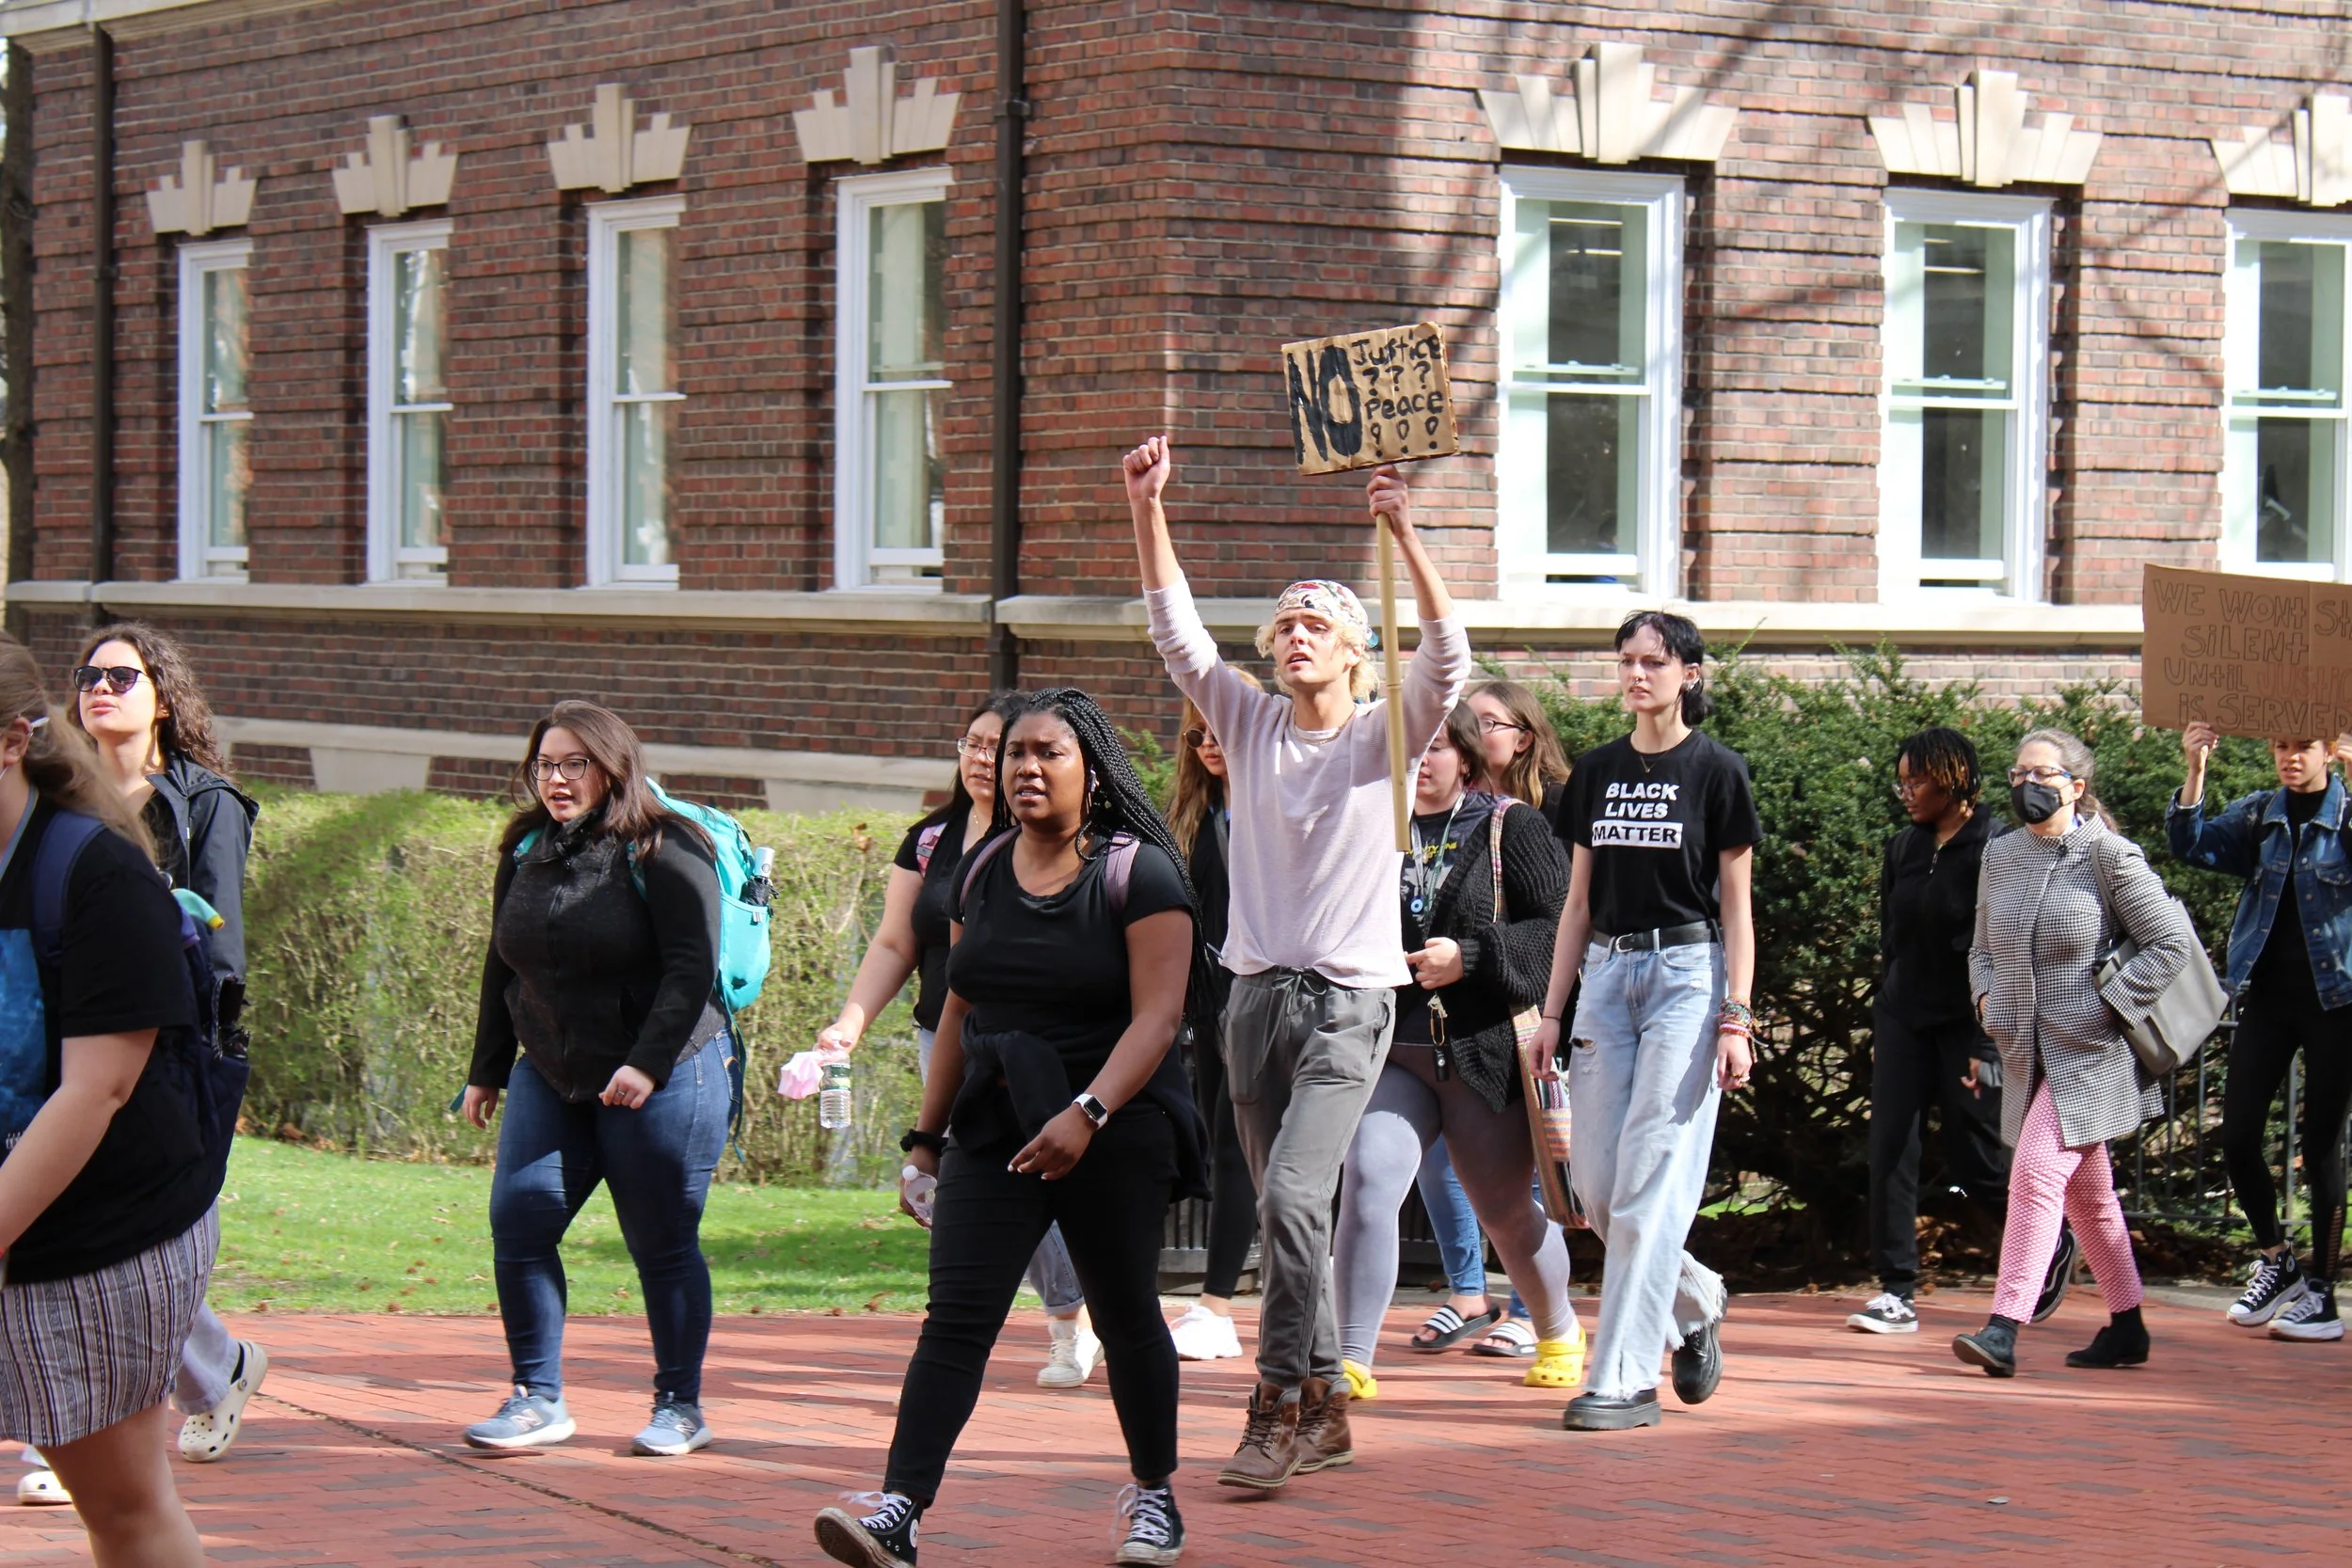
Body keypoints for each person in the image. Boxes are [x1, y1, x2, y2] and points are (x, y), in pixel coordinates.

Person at [1127, 434, 1470, 1494]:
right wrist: (1148, 510)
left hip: (1348, 1005)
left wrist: (1406, 534)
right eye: (1280, 622)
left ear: (1359, 650)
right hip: (1251, 1000)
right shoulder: (1247, 718)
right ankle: (1325, 1402)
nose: (1291, 634)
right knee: (1295, 1207)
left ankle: (1275, 1402)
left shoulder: (1385, 733)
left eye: (1314, 619)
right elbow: (1179, 639)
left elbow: (1450, 656)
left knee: (1287, 1192)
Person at [815, 689, 1204, 1568]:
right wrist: (926, 1138)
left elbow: (1159, 1017)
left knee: (1126, 1310)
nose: (1025, 767)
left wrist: (1088, 1114)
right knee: (954, 1319)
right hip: (996, 1126)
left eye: (1049, 753)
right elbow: (959, 1004)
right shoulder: (983, 864)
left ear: (1091, 770)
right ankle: (900, 1512)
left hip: (1114, 1124)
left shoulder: (1140, 873)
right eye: (1016, 751)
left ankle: (1154, 1497)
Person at [461, 701, 734, 1456]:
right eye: (544, 764)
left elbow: (692, 967)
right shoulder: (526, 846)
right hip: (554, 1067)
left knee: (661, 1241)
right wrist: (486, 1070)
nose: (555, 779)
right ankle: (535, 1398)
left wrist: (645, 1064)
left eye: (573, 764)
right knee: (519, 1221)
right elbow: (502, 961)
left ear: (614, 766)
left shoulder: (667, 844)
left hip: (668, 1070)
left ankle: (681, 1405)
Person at [0, 634, 211, 1565]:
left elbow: (98, 1090)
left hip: (101, 1230)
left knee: (122, 1504)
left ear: (13, 736)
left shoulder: (93, 873)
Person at [818, 694, 1100, 1387]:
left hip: (1037, 1044)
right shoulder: (929, 839)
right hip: (945, 1039)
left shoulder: (1060, 837)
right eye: (973, 744)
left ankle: (1088, 1315)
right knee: (982, 1179)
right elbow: (894, 940)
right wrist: (849, 1023)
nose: (985, 759)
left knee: (1037, 1175)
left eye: (999, 746)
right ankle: (1067, 1315)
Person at [1533, 611, 1754, 1431]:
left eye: (1653, 662)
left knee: (1653, 1183)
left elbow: (1738, 910)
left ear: (1689, 673)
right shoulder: (1595, 770)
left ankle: (1623, 1378)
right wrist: (1552, 1010)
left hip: (1687, 979)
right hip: (1607, 976)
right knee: (1595, 1186)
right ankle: (1695, 1297)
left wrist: (1737, 1017)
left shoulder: (1718, 772)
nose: (1636, 675)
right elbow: (1576, 904)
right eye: (1626, 660)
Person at [1331, 704, 1581, 1396]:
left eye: (1436, 747)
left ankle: (1558, 1326)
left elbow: (1558, 929)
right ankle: (1352, 1358)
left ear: (1467, 758)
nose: (1421, 761)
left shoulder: (1511, 826)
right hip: (1396, 1049)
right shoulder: (1373, 830)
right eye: (1409, 749)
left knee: (1503, 1208)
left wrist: (1470, 955)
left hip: (1479, 1053)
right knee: (1371, 1185)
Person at [65, 623, 267, 1475]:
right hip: (73, 1040)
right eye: (89, 674)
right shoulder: (58, 801)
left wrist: (206, 1068)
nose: (101, 687)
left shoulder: (202, 801)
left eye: (123, 674)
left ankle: (96, 1429)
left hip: (176, 1050)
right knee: (86, 1227)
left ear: (161, 696)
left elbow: (222, 948)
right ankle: (216, 1366)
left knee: (136, 1231)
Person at [1953, 729, 2196, 1377]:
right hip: (2028, 1052)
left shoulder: (2108, 855)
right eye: (2019, 772)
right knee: (2089, 1198)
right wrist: (1986, 1003)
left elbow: (2171, 942)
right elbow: (1980, 947)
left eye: (2043, 772)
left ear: (2076, 785)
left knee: (2034, 1175)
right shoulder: (2000, 856)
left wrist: (2109, 1005)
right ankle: (2128, 1325)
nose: (2028, 784)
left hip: (2092, 1054)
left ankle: (2004, 1325)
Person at [1850, 727, 2077, 1335]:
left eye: (1917, 780)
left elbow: (2007, 948)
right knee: (1889, 1151)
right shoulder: (1903, 846)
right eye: (1901, 780)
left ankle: (2049, 1238)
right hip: (1904, 1016)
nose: (1906, 791)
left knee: (1976, 1159)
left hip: (1969, 1023)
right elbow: (1890, 938)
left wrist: (1986, 1043)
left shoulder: (1999, 846)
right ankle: (1896, 1290)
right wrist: (1887, 1001)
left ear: (1953, 779)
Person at [1404, 678, 1577, 1359]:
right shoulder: (1394, 825)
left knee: (1510, 1196)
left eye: (1482, 724)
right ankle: (1461, 1294)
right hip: (1412, 1042)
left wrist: (1473, 955)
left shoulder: (1528, 818)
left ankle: (1540, 1313)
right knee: (1402, 1175)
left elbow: (1561, 922)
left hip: (1498, 1037)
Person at [2168, 722, 2352, 1341]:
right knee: (2239, 1133)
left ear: (2329, 751)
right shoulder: (2260, 817)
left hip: (2338, 1002)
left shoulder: (2346, 815)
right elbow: (2190, 844)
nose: (2290, 758)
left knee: (2323, 1143)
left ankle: (2322, 1297)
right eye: (2281, 746)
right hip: (2270, 1000)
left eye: (2304, 746)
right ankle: (2279, 1262)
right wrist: (2196, 768)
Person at [1162, 681, 1262, 1364]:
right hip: (1202, 1000)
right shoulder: (1191, 816)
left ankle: (1220, 1301)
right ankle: (1210, 1300)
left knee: (1237, 1145)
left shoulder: (1274, 807)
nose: (1209, 744)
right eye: (1199, 734)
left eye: (1221, 730)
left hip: (1261, 996)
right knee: (1203, 1142)